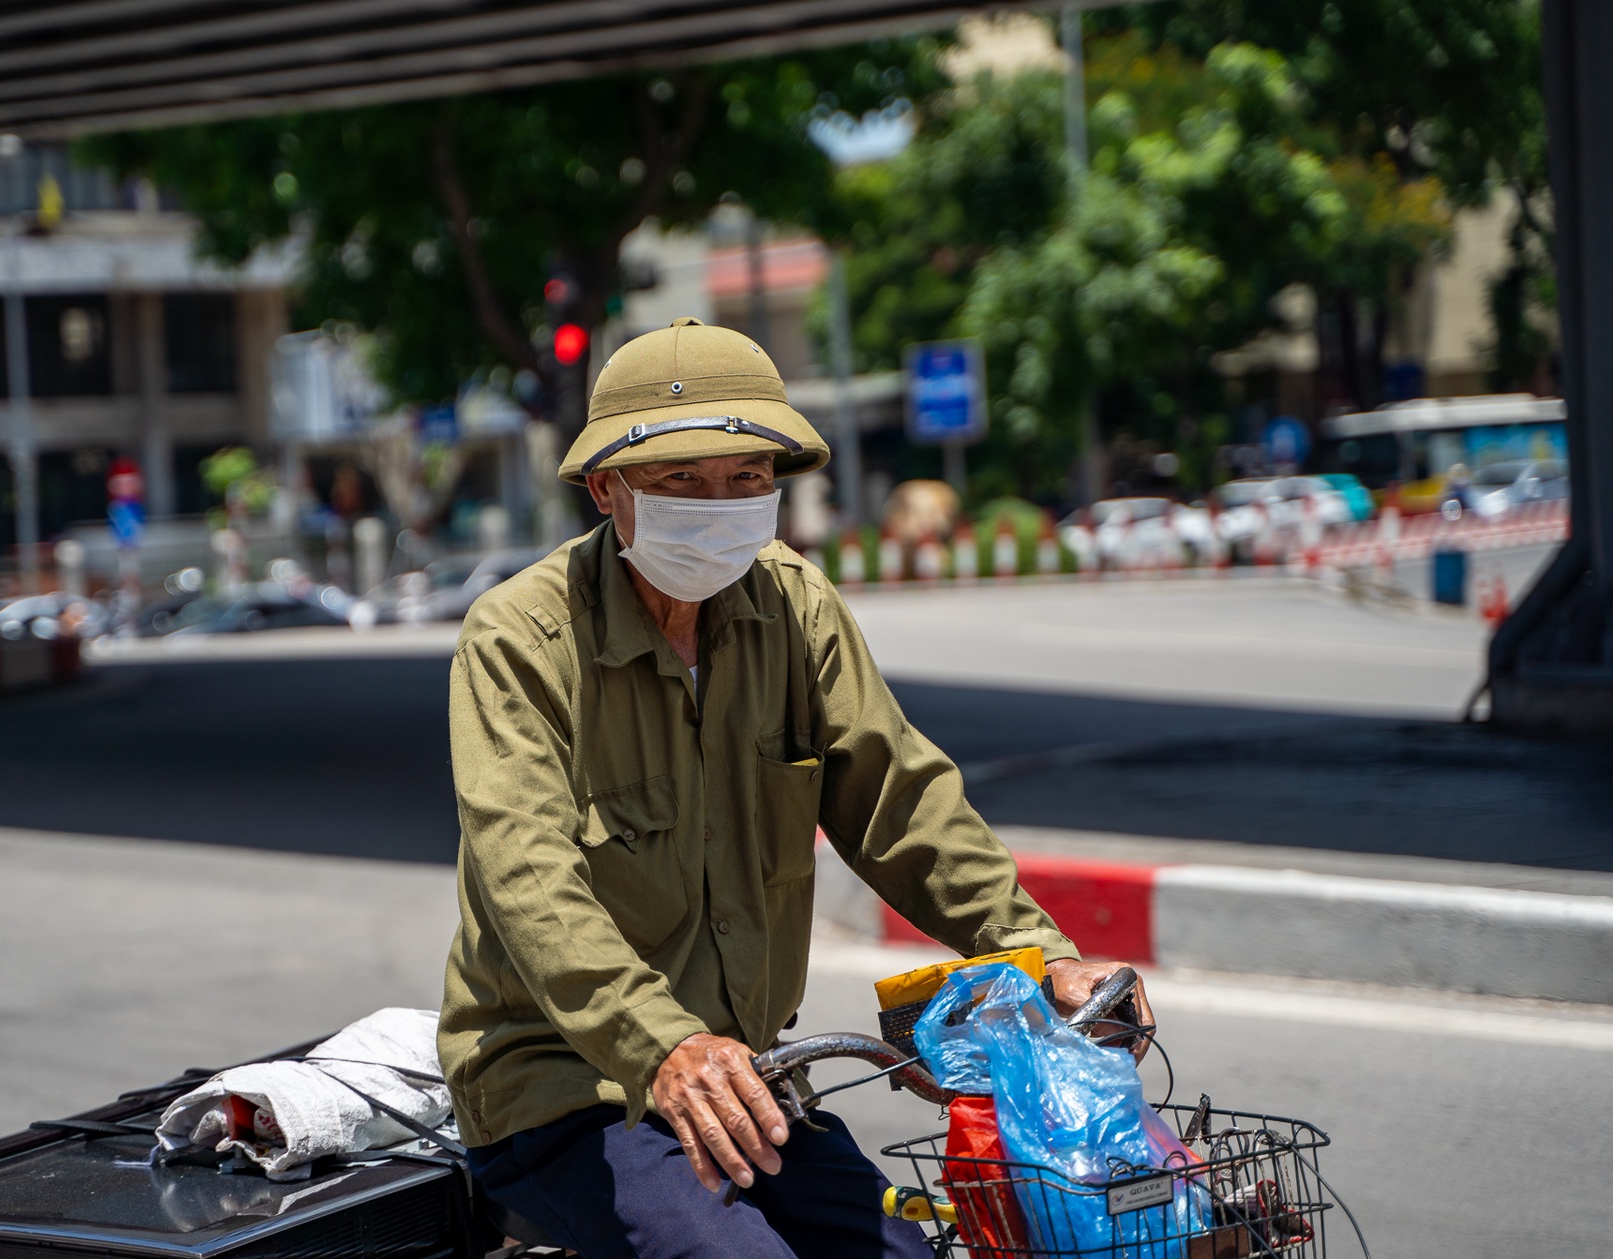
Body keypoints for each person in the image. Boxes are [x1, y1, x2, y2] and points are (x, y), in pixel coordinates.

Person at [438, 318, 1154, 1259]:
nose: (721, 502)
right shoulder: (521, 637)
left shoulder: (792, 603)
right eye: (682, 480)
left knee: (916, 1251)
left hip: (749, 1081)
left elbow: (901, 798)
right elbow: (527, 877)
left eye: (747, 479)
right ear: (607, 489)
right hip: (570, 1091)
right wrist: (665, 1048)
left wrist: (1037, 950)